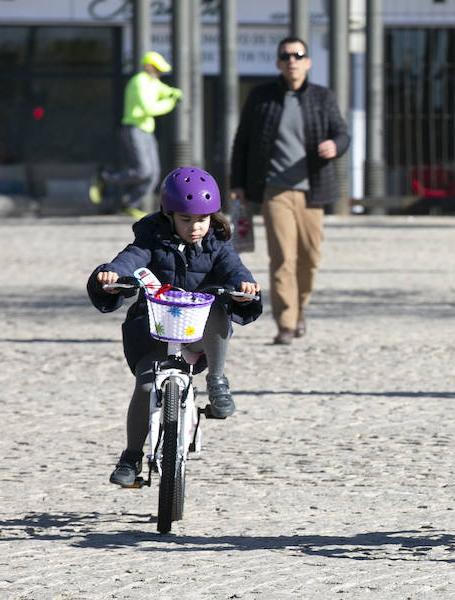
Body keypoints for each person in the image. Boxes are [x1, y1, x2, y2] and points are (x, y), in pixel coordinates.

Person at [87, 166, 262, 487]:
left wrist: (245, 286)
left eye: (203, 219)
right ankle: (131, 456)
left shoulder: (217, 245)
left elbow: (235, 269)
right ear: (168, 215)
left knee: (218, 305)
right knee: (144, 387)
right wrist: (112, 274)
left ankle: (218, 380)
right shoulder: (150, 239)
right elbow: (129, 259)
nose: (195, 227)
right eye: (186, 220)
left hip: (197, 336)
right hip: (153, 331)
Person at [229, 36, 350, 345]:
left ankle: (299, 311)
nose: (292, 60)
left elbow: (342, 133)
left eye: (298, 55)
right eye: (286, 56)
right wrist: (237, 185)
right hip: (274, 190)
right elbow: (241, 143)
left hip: (313, 190)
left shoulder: (322, 97)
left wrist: (334, 146)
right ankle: (285, 322)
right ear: (278, 63)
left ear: (308, 62)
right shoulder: (261, 97)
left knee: (310, 258)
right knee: (282, 256)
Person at [97, 51, 182, 219]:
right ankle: (103, 178)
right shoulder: (139, 82)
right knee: (143, 171)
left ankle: (129, 204)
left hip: (147, 131)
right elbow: (148, 109)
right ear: (148, 67)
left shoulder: (153, 82)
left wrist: (174, 92)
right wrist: (171, 103)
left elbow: (165, 90)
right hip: (134, 129)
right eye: (158, 70)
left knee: (154, 174)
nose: (160, 74)